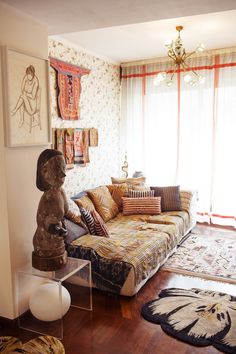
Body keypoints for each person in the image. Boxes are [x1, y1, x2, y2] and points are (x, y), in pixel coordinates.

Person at [32, 149, 69, 271]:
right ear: (45, 172)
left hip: (57, 243)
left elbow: (64, 213)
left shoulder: (60, 191)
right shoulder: (49, 196)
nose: (64, 174)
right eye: (58, 169)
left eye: (64, 168)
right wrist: (58, 230)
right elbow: (47, 224)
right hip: (45, 244)